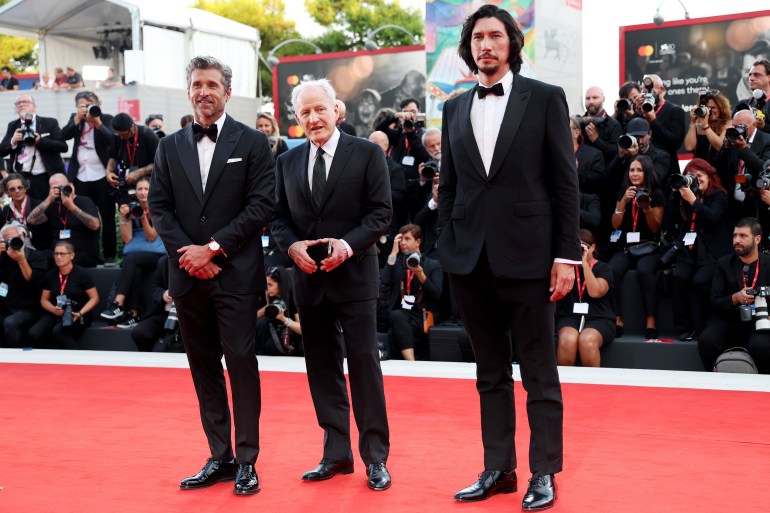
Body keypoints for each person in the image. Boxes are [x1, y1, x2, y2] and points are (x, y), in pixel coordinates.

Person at [438, 5, 580, 510]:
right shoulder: (453, 107)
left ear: (512, 43)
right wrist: (446, 244)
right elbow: (449, 188)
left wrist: (567, 256)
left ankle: (543, 472)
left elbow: (566, 183)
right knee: (489, 372)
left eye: (496, 36)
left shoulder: (544, 98)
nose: (486, 45)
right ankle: (498, 468)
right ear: (468, 47)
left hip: (530, 258)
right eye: (478, 37)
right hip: (469, 261)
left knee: (539, 370)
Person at [149, 55, 275, 496]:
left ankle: (247, 460)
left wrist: (214, 248)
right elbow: (159, 209)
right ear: (189, 91)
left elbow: (261, 206)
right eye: (197, 83)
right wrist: (189, 255)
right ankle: (219, 456)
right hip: (187, 274)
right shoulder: (168, 146)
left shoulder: (254, 143)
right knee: (203, 367)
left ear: (227, 91)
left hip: (235, 273)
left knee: (241, 363)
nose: (204, 91)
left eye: (212, 84)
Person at [271, 78, 393, 491]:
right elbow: (278, 219)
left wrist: (347, 244)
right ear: (297, 118)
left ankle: (375, 457)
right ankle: (336, 453)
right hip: (308, 280)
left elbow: (381, 214)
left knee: (363, 366)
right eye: (304, 112)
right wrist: (292, 249)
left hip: (356, 276)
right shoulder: (286, 162)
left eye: (319, 109)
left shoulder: (366, 154)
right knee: (322, 370)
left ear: (336, 109)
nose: (313, 118)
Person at [664, 158, 731, 340]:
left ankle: (704, 326)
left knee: (699, 281)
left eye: (699, 175)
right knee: (678, 276)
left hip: (711, 252)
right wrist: (675, 194)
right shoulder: (685, 196)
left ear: (709, 176)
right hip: (688, 250)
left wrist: (694, 202)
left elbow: (713, 218)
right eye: (690, 176)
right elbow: (669, 221)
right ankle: (684, 328)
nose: (695, 179)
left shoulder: (719, 195)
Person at [698, 217, 770, 373]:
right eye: (734, 235)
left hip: (761, 321)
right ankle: (714, 379)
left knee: (762, 346)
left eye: (743, 236)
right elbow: (715, 302)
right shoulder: (724, 263)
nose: (737, 240)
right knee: (707, 340)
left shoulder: (768, 263)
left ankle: (763, 385)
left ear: (757, 239)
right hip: (730, 320)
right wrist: (735, 297)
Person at [608, 155, 665, 340]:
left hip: (649, 246)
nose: (634, 173)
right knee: (611, 269)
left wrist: (647, 207)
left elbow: (656, 227)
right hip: (626, 246)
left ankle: (651, 319)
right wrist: (623, 202)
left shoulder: (656, 193)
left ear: (646, 172)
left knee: (644, 270)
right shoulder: (623, 192)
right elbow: (615, 225)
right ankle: (616, 317)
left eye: (639, 170)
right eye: (632, 170)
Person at [100, 176, 165, 328]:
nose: (143, 193)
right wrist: (124, 217)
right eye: (139, 189)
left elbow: (151, 237)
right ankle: (134, 315)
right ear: (135, 192)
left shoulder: (159, 208)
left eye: (146, 189)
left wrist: (142, 217)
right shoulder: (132, 207)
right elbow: (127, 239)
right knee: (135, 269)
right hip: (138, 256)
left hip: (158, 254)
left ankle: (118, 303)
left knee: (131, 260)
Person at [61, 91, 115, 263]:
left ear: (97, 103)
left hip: (101, 176)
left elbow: (112, 141)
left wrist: (97, 122)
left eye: (89, 104)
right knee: (84, 217)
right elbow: (62, 137)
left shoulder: (105, 117)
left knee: (107, 218)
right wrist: (77, 118)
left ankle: (109, 255)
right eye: (82, 105)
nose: (87, 108)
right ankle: (91, 255)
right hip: (80, 176)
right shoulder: (75, 118)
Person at [381, 224, 442, 360]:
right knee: (396, 316)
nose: (403, 243)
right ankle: (412, 364)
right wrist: (393, 253)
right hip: (402, 314)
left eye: (407, 239)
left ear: (418, 242)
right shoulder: (398, 263)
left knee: (393, 332)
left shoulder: (432, 265)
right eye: (401, 239)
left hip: (423, 315)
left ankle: (409, 366)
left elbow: (436, 294)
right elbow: (384, 281)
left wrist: (420, 274)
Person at [556, 229, 614, 367]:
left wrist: (585, 264)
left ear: (593, 247)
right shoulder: (567, 269)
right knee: (567, 339)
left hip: (600, 317)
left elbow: (596, 292)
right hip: (570, 316)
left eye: (583, 246)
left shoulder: (604, 268)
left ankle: (591, 386)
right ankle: (564, 386)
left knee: (587, 340)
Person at [27, 240, 99, 349]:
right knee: (34, 334)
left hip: (77, 314)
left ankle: (76, 361)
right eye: (56, 254)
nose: (58, 257)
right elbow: (44, 300)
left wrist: (80, 313)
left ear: (72, 255)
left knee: (59, 331)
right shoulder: (51, 275)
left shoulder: (82, 274)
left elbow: (95, 298)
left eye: (62, 254)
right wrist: (53, 309)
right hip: (57, 313)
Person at [0, 94, 68, 201]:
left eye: (25, 102)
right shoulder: (13, 125)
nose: (21, 104)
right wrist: (13, 141)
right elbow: (2, 151)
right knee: (25, 211)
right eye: (18, 103)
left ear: (34, 106)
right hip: (21, 179)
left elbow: (63, 147)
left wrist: (40, 141)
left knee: (48, 211)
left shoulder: (49, 122)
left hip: (45, 177)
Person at [27, 173, 101, 267]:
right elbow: (31, 220)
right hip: (57, 253)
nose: (59, 191)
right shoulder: (53, 205)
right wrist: (49, 199)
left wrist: (72, 207)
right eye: (55, 188)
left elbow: (95, 225)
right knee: (34, 259)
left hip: (80, 253)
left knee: (59, 262)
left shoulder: (84, 201)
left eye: (61, 187)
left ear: (70, 186)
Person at [0, 223, 47, 348]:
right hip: (7, 305)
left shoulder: (37, 256)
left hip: (30, 307)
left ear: (22, 237)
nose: (13, 243)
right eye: (9, 241)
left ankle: (17, 358)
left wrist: (21, 260)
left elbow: (34, 282)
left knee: (10, 322)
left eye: (16, 238)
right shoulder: (4, 258)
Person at [636, 74, 687, 179]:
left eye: (651, 91)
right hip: (641, 170)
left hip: (667, 172)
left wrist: (653, 121)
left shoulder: (675, 111)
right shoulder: (640, 113)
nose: (648, 95)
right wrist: (637, 112)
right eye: (644, 93)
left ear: (661, 89)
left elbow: (675, 143)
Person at [130, 254, 183, 352]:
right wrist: (163, 294)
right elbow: (154, 288)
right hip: (163, 312)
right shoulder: (164, 261)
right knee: (140, 333)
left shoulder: (198, 263)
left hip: (187, 316)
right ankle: (150, 360)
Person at [255, 266, 303, 356]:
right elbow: (262, 311)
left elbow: (302, 328)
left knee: (302, 347)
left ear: (280, 284)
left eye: (270, 285)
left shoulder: (294, 295)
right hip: (280, 328)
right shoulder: (269, 293)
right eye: (266, 285)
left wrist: (284, 319)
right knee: (261, 325)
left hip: (296, 331)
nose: (267, 288)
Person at [1, 173, 51, 250]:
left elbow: (48, 231)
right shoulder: (6, 210)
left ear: (25, 188)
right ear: (8, 193)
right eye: (12, 189)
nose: (17, 191)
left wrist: (28, 234)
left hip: (38, 250)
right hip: (13, 250)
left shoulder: (38, 205)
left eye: (20, 187)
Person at [683, 89, 730, 164]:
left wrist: (706, 127)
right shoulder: (698, 124)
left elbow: (720, 147)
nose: (710, 111)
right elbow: (689, 147)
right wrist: (692, 122)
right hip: (700, 169)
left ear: (721, 108)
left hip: (720, 168)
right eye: (707, 108)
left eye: (713, 108)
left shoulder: (727, 124)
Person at [581, 86, 622, 165]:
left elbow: (616, 153)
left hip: (604, 173)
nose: (591, 101)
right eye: (587, 98)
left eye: (595, 97)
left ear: (603, 99)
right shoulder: (578, 123)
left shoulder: (613, 124)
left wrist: (596, 140)